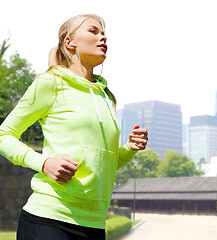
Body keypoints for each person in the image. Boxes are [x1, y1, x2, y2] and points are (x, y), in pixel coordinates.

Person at [0, 14, 148, 240]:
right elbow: (3, 135)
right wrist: (44, 162)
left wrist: (130, 148)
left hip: (95, 225)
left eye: (104, 33)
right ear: (70, 42)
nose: (103, 37)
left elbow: (103, 163)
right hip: (49, 219)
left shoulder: (106, 98)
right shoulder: (51, 83)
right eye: (93, 31)